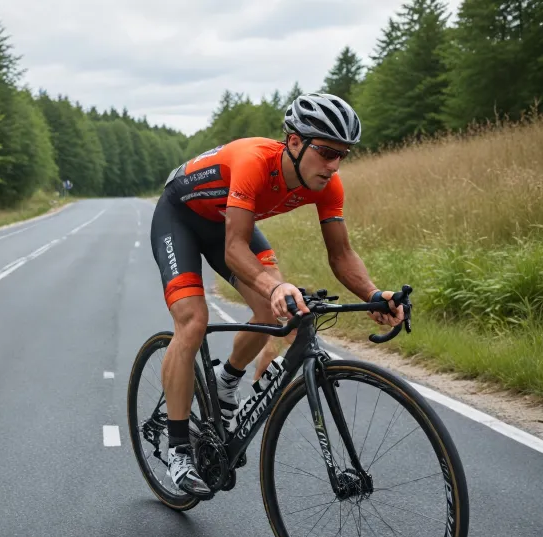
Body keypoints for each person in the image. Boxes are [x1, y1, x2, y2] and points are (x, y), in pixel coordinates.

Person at [149, 93, 404, 497]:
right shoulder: (254, 162)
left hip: (231, 221)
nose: (334, 165)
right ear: (295, 142)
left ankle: (225, 379)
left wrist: (375, 295)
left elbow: (341, 254)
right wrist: (275, 285)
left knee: (279, 313)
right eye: (326, 152)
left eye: (343, 154)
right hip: (181, 218)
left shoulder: (327, 183)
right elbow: (235, 249)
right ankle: (179, 447)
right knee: (193, 322)